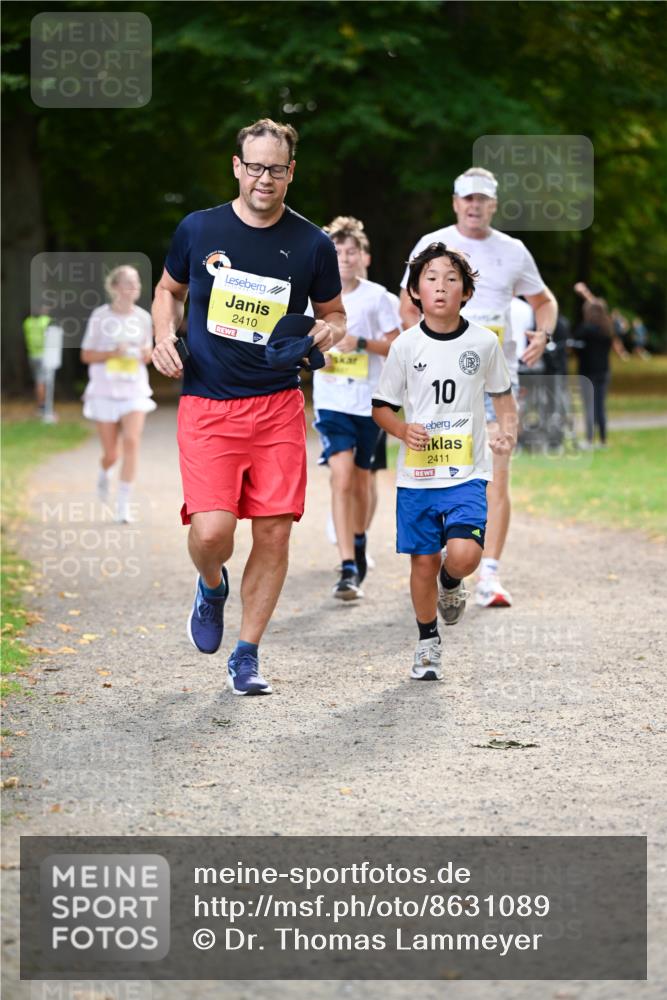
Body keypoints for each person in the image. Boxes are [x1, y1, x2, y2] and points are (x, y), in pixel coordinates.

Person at [151, 119, 345, 696]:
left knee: (276, 532)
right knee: (213, 533)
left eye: (276, 168)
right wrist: (162, 336)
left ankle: (247, 653)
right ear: (237, 166)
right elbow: (169, 291)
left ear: (292, 172)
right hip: (209, 404)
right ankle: (212, 584)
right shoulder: (198, 228)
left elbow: (334, 314)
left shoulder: (313, 243)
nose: (265, 178)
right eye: (255, 166)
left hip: (278, 405)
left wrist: (323, 335)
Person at [399, 167, 557, 608]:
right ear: (455, 202)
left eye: (481, 199)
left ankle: (488, 572)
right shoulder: (433, 245)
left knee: (496, 478)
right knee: (440, 477)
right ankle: (448, 563)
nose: (473, 205)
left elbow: (544, 300)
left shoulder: (513, 250)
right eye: (466, 198)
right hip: (439, 386)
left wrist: (542, 333)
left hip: (496, 382)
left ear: (493, 204)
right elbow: (406, 308)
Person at [373, 243, 517, 680]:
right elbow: (381, 408)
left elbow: (502, 396)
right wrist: (401, 430)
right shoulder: (404, 347)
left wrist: (507, 430)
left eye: (451, 279)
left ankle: (452, 584)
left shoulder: (482, 343)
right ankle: (427, 642)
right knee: (421, 562)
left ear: (467, 292)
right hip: (417, 475)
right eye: (431, 279)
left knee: (465, 554)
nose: (441, 287)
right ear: (415, 291)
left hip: (467, 473)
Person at [313, 216, 399, 598]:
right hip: (332, 402)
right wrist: (316, 357)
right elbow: (297, 341)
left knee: (363, 481)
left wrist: (361, 344)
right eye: (336, 253)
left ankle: (359, 542)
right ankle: (347, 566)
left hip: (369, 403)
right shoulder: (312, 295)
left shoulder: (377, 297)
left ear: (362, 256)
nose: (344, 259)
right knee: (342, 475)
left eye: (350, 252)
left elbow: (398, 347)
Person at [80, 265, 156, 522]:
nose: (134, 288)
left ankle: (123, 504)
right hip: (104, 390)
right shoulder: (100, 316)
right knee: (112, 453)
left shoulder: (144, 318)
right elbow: (87, 355)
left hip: (133, 389)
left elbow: (147, 354)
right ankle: (104, 472)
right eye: (128, 283)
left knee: (132, 442)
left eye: (137, 283)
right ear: (115, 287)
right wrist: (114, 352)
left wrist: (145, 354)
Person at [573, 282, 613, 448]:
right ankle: (603, 438)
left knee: (588, 406)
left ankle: (589, 439)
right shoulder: (607, 330)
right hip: (603, 371)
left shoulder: (585, 330)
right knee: (600, 405)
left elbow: (576, 349)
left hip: (587, 372)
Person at [23, 308, 51, 414]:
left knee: (38, 381)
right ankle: (43, 406)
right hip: (44, 355)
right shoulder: (45, 321)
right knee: (43, 382)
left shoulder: (27, 322)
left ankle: (41, 405)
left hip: (32, 355)